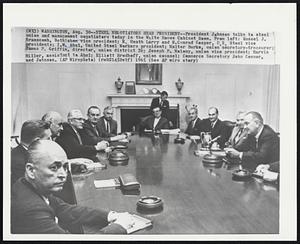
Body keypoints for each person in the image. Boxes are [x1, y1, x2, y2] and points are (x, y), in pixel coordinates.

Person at [11, 140, 135, 234]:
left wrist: (110, 215)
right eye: (54, 167)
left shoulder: (27, 185)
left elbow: (64, 209)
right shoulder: (31, 210)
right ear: (31, 170)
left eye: (65, 167)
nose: (63, 174)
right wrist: (120, 227)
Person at [11, 120, 52, 185]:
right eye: (48, 138)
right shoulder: (18, 162)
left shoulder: (31, 153)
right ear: (37, 141)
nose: (51, 142)